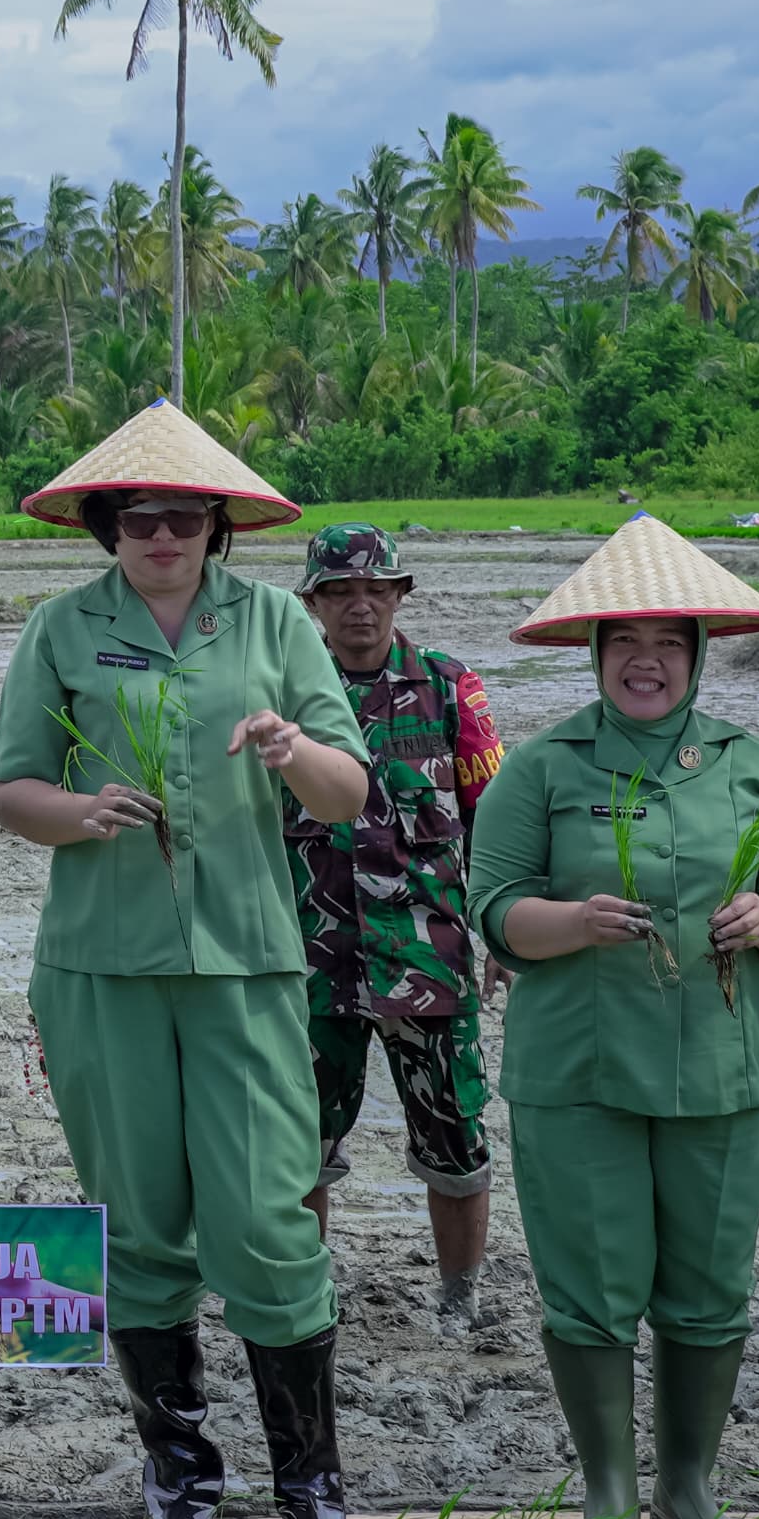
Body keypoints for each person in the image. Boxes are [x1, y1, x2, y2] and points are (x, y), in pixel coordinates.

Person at [0, 403, 372, 1519]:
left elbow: (344, 793)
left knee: (265, 1221)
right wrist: (81, 810)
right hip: (101, 968)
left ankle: (309, 1481)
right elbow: (12, 789)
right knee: (141, 1225)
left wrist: (285, 750)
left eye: (184, 517)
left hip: (244, 963)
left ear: (216, 526)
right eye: (138, 518)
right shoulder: (60, 628)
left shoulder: (272, 626)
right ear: (107, 525)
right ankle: (180, 1473)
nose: (160, 535)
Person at [466, 519, 759, 1519]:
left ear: (697, 652)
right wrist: (569, 921)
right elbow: (489, 908)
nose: (644, 659)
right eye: (623, 639)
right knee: (587, 1284)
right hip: (575, 1070)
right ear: (593, 651)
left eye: (666, 642)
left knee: (708, 1286)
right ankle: (609, 1499)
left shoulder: (753, 765)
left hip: (717, 1066)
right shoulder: (539, 767)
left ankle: (687, 1488)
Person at [288, 524, 506, 1323]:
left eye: (376, 589)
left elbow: (498, 819)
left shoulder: (450, 689)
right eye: (340, 591)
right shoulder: (288, 696)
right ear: (312, 602)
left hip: (430, 961)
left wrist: (502, 932)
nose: (359, 606)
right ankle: (307, 1299)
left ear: (400, 595)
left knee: (456, 1141)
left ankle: (459, 1299)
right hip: (311, 964)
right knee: (298, 1143)